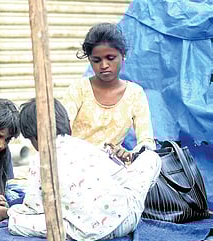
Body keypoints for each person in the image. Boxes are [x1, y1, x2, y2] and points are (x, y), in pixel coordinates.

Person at [0, 98, 161, 241]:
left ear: (32, 137)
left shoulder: (41, 161)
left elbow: (34, 209)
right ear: (66, 122)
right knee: (150, 158)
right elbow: (118, 176)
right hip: (126, 219)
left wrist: (8, 212)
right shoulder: (85, 146)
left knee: (28, 222)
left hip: (85, 230)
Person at [63, 22, 155, 163]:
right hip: (76, 165)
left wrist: (129, 154)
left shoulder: (135, 94)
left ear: (122, 55)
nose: (104, 65)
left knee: (152, 160)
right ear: (89, 60)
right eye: (96, 60)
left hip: (112, 168)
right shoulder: (78, 89)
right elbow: (62, 135)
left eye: (110, 58)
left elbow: (146, 141)